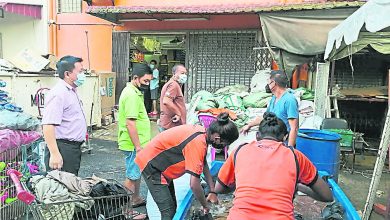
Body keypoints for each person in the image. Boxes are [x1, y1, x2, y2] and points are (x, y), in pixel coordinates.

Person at [216, 112, 333, 220]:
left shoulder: (240, 151)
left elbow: (218, 188)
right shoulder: (295, 156)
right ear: (285, 137)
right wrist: (298, 186)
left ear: (257, 136)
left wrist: (240, 184)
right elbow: (327, 196)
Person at [135, 112, 239, 220]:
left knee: (172, 207)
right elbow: (194, 184)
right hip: (152, 167)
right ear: (217, 138)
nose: (223, 147)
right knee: (168, 212)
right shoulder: (198, 142)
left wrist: (212, 191)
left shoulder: (202, 133)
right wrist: (205, 205)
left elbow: (204, 164)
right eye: (225, 144)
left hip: (161, 166)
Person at [117, 63, 152, 219]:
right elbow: (130, 123)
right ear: (136, 78)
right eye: (145, 81)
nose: (148, 84)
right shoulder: (131, 94)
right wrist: (138, 146)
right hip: (133, 145)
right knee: (132, 176)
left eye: (149, 81)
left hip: (137, 143)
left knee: (136, 174)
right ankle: (125, 211)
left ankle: (136, 198)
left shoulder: (134, 91)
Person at [42, 56, 87, 176]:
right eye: (80, 71)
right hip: (63, 148)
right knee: (60, 188)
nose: (83, 75)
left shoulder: (71, 91)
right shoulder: (59, 93)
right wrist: (55, 154)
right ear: (67, 74)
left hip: (72, 149)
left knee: (70, 184)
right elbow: (48, 125)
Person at [241, 70, 299, 146]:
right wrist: (249, 125)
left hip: (282, 143)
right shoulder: (274, 98)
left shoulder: (289, 100)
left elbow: (294, 128)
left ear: (273, 83)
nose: (267, 84)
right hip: (272, 141)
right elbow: (265, 117)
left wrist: (289, 150)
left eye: (268, 81)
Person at [158, 64, 188, 132]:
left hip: (170, 125)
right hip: (170, 125)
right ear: (174, 74)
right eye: (182, 73)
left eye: (185, 73)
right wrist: (178, 113)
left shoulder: (174, 84)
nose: (184, 76)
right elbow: (166, 101)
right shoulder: (173, 85)